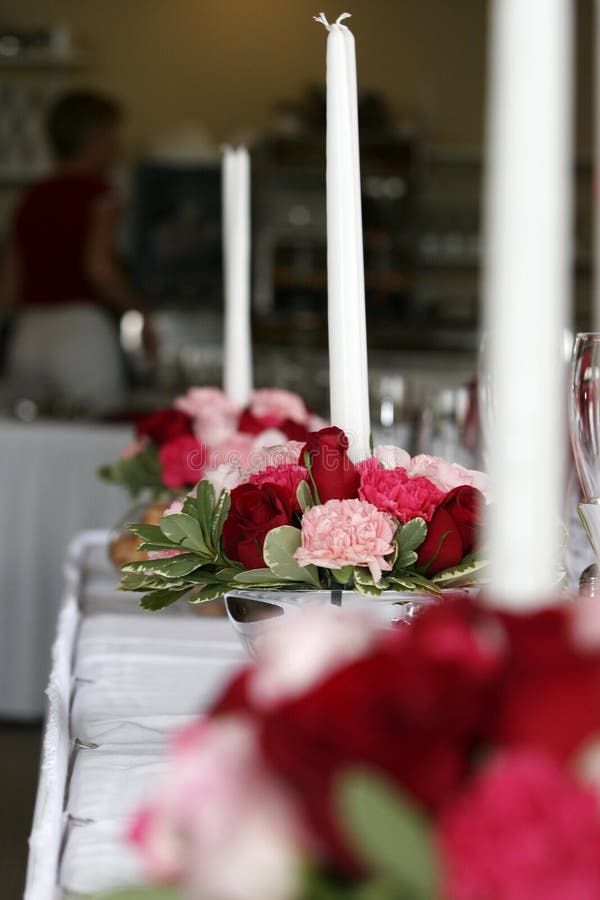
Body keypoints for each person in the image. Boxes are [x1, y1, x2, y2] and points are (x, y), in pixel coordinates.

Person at [0, 89, 154, 415]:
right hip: (80, 330)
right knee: (97, 438)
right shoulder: (101, 194)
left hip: (28, 333)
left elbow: (9, 288)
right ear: (97, 138)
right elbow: (97, 267)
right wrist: (138, 309)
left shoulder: (31, 197)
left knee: (24, 442)